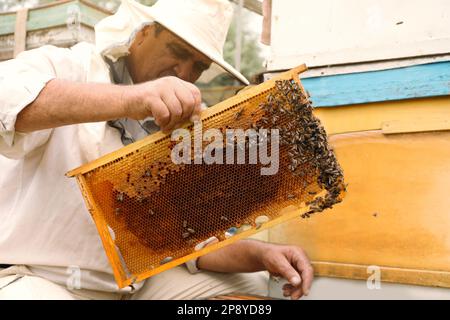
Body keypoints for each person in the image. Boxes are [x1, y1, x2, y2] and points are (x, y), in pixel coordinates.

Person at [0, 0, 313, 300]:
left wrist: (263, 253)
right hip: (39, 277)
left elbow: (190, 240)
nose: (184, 72)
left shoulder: (187, 121)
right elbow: (8, 103)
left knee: (266, 288)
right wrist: (135, 99)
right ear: (142, 33)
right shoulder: (71, 66)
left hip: (138, 285)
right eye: (177, 51)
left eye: (198, 67)